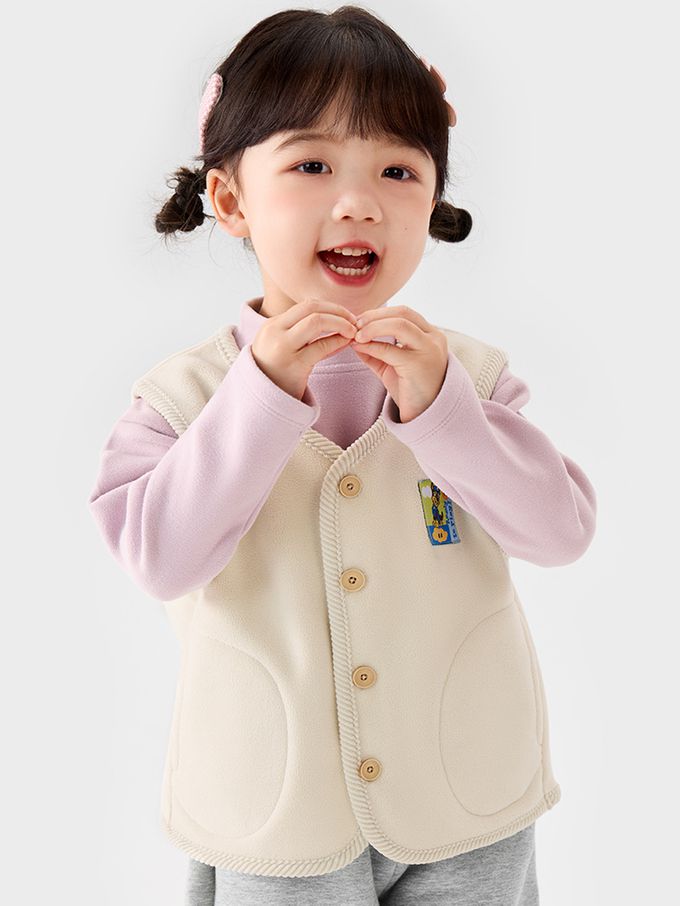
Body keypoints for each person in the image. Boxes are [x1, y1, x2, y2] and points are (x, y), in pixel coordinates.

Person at [87, 6, 597, 905]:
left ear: (431, 201)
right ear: (231, 201)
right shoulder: (183, 396)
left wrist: (445, 412)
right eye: (312, 165)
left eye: (398, 170)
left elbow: (559, 533)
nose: (358, 201)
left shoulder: (470, 379)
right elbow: (160, 559)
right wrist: (261, 396)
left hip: (468, 796)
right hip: (277, 813)